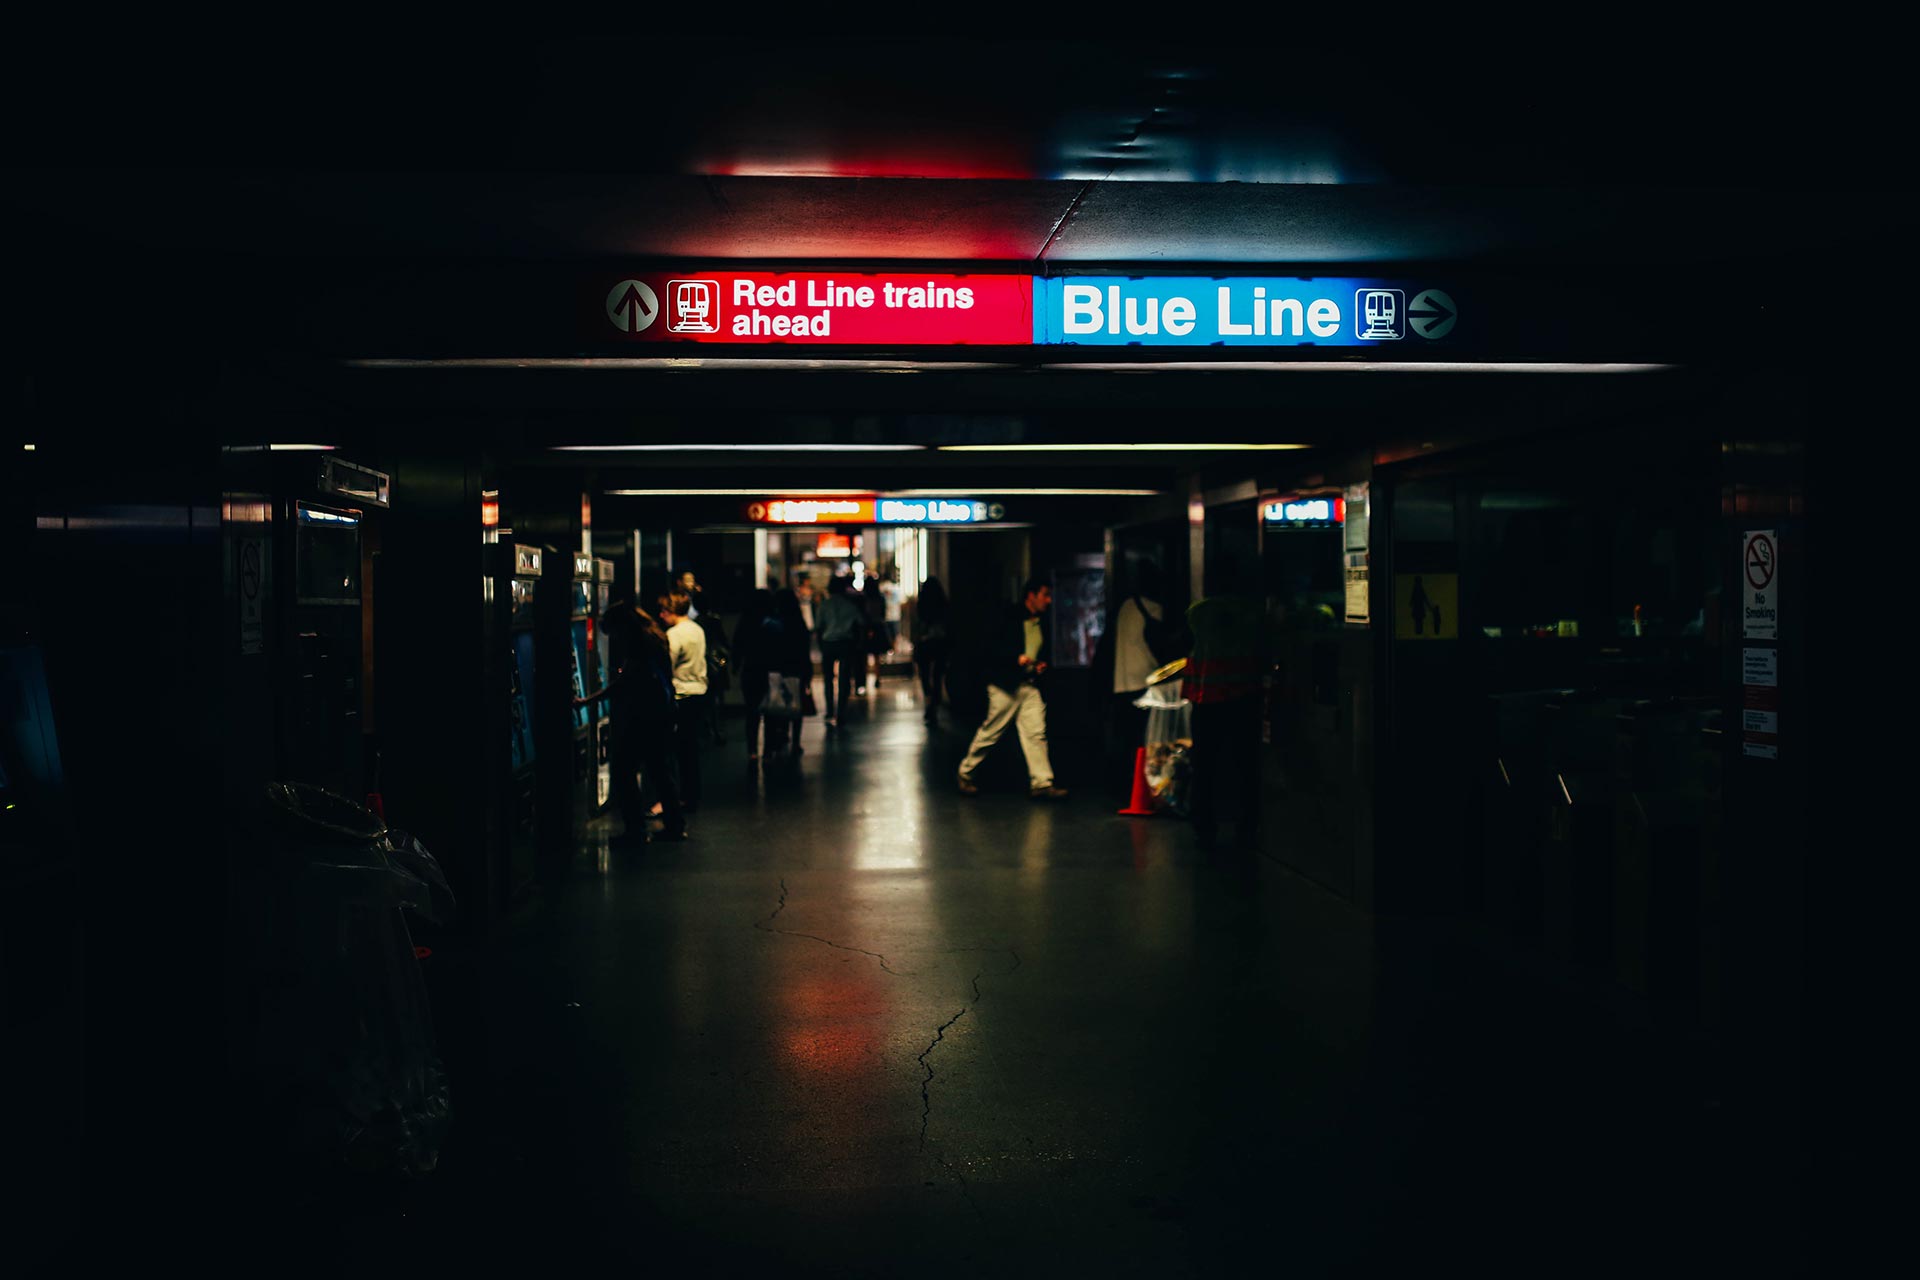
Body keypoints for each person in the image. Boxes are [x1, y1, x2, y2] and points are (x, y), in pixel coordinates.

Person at [1183, 557, 1272, 854]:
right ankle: (1246, 826)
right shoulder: (1254, 613)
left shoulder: (1198, 612)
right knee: (1245, 765)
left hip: (1207, 699)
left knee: (1204, 766)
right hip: (1243, 699)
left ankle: (1203, 826)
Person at [957, 577, 1068, 800]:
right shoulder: (1008, 618)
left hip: (1028, 684)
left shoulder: (1041, 622)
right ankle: (966, 772)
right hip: (1005, 685)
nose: (1048, 600)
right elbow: (989, 650)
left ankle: (1042, 782)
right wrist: (1014, 659)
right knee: (992, 731)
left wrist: (1039, 665)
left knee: (1035, 732)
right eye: (1044, 595)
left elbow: (1039, 650)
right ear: (1031, 595)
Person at [600, 594, 687, 844]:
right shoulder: (656, 638)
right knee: (661, 771)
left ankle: (635, 830)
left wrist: (589, 701)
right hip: (661, 715)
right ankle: (675, 825)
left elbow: (624, 683)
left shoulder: (638, 647)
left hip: (639, 718)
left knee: (624, 772)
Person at [1110, 567, 1170, 785]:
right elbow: (1160, 649)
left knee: (1126, 738)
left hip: (1121, 682)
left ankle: (1124, 785)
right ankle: (1144, 786)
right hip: (1145, 681)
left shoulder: (1125, 606)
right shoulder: (1154, 608)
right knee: (1145, 739)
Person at [662, 591, 708, 812]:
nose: (661, 616)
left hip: (681, 694)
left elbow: (666, 665)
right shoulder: (697, 629)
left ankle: (676, 798)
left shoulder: (674, 634)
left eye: (664, 611)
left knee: (675, 749)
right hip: (698, 692)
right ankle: (692, 795)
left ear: (671, 612)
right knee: (690, 749)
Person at [765, 587, 813, 759]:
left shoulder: (771, 623)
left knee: (776, 705)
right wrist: (808, 673)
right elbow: (804, 649)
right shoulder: (798, 622)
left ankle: (775, 741)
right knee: (795, 705)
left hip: (775, 668)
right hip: (795, 668)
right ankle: (796, 742)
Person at [813, 574, 864, 727]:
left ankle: (829, 710)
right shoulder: (850, 605)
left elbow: (818, 627)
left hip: (828, 642)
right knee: (844, 678)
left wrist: (820, 644)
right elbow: (860, 623)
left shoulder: (824, 605)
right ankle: (841, 710)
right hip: (845, 643)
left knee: (828, 678)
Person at [732, 590, 776, 764]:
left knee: (751, 712)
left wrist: (735, 666)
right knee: (771, 712)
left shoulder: (745, 621)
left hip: (750, 670)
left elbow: (737, 645)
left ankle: (752, 750)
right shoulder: (773, 622)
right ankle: (768, 749)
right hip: (771, 670)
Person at [914, 576, 953, 726]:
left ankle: (929, 699)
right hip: (940, 642)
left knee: (924, 674)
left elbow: (918, 625)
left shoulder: (922, 604)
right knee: (937, 674)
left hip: (925, 642)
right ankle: (934, 702)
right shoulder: (943, 603)